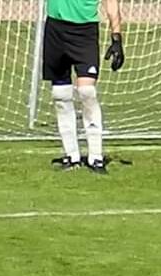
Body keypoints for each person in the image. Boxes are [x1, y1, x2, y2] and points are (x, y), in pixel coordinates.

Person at [43, 0, 123, 173]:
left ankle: (96, 157)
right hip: (55, 28)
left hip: (85, 31)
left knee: (87, 92)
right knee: (60, 94)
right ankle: (71, 155)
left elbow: (111, 3)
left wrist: (116, 38)